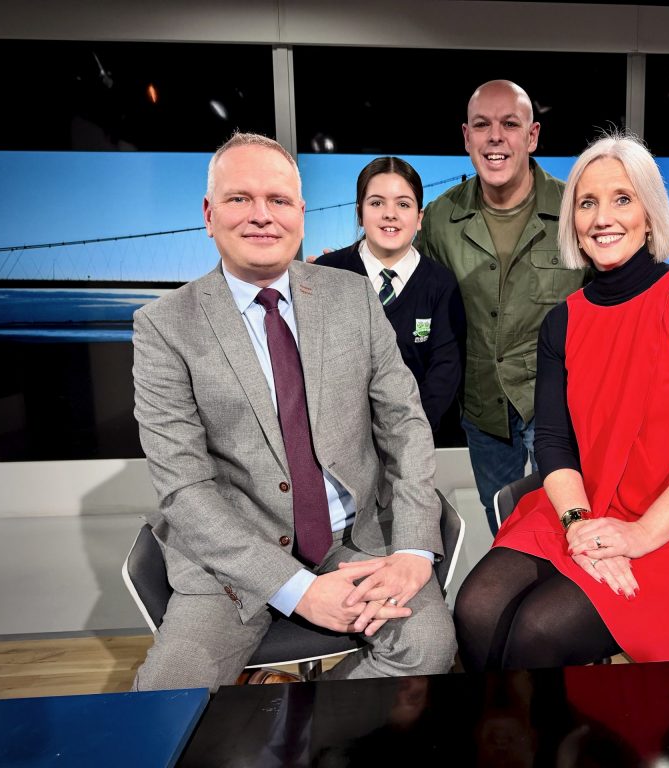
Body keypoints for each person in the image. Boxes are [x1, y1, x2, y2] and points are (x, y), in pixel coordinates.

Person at [131, 132, 456, 692]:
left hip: (352, 542)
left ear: (301, 215)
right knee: (164, 698)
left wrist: (410, 549)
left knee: (429, 648)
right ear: (209, 215)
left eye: (279, 201)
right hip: (233, 558)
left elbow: (406, 426)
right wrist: (298, 589)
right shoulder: (164, 326)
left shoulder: (353, 297)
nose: (262, 216)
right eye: (240, 199)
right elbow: (184, 489)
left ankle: (293, 727)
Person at [454, 133, 669, 670]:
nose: (602, 217)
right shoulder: (562, 321)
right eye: (586, 203)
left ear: (649, 214)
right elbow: (553, 441)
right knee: (476, 608)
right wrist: (577, 523)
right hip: (587, 504)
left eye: (622, 198)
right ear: (572, 219)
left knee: (540, 628)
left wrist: (638, 535)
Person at [417, 80, 587, 533]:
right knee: (506, 533)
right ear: (466, 137)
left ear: (531, 136)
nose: (495, 137)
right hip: (483, 411)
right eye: (482, 125)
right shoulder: (439, 217)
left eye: (509, 124)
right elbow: (407, 283)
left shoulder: (574, 207)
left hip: (560, 411)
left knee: (571, 532)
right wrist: (337, 270)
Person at [315, 157, 465, 434]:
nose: (390, 214)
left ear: (420, 218)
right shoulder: (325, 274)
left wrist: (409, 433)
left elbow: (445, 371)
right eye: (376, 203)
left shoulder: (440, 283)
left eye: (403, 204)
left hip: (414, 438)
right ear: (360, 213)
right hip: (337, 441)